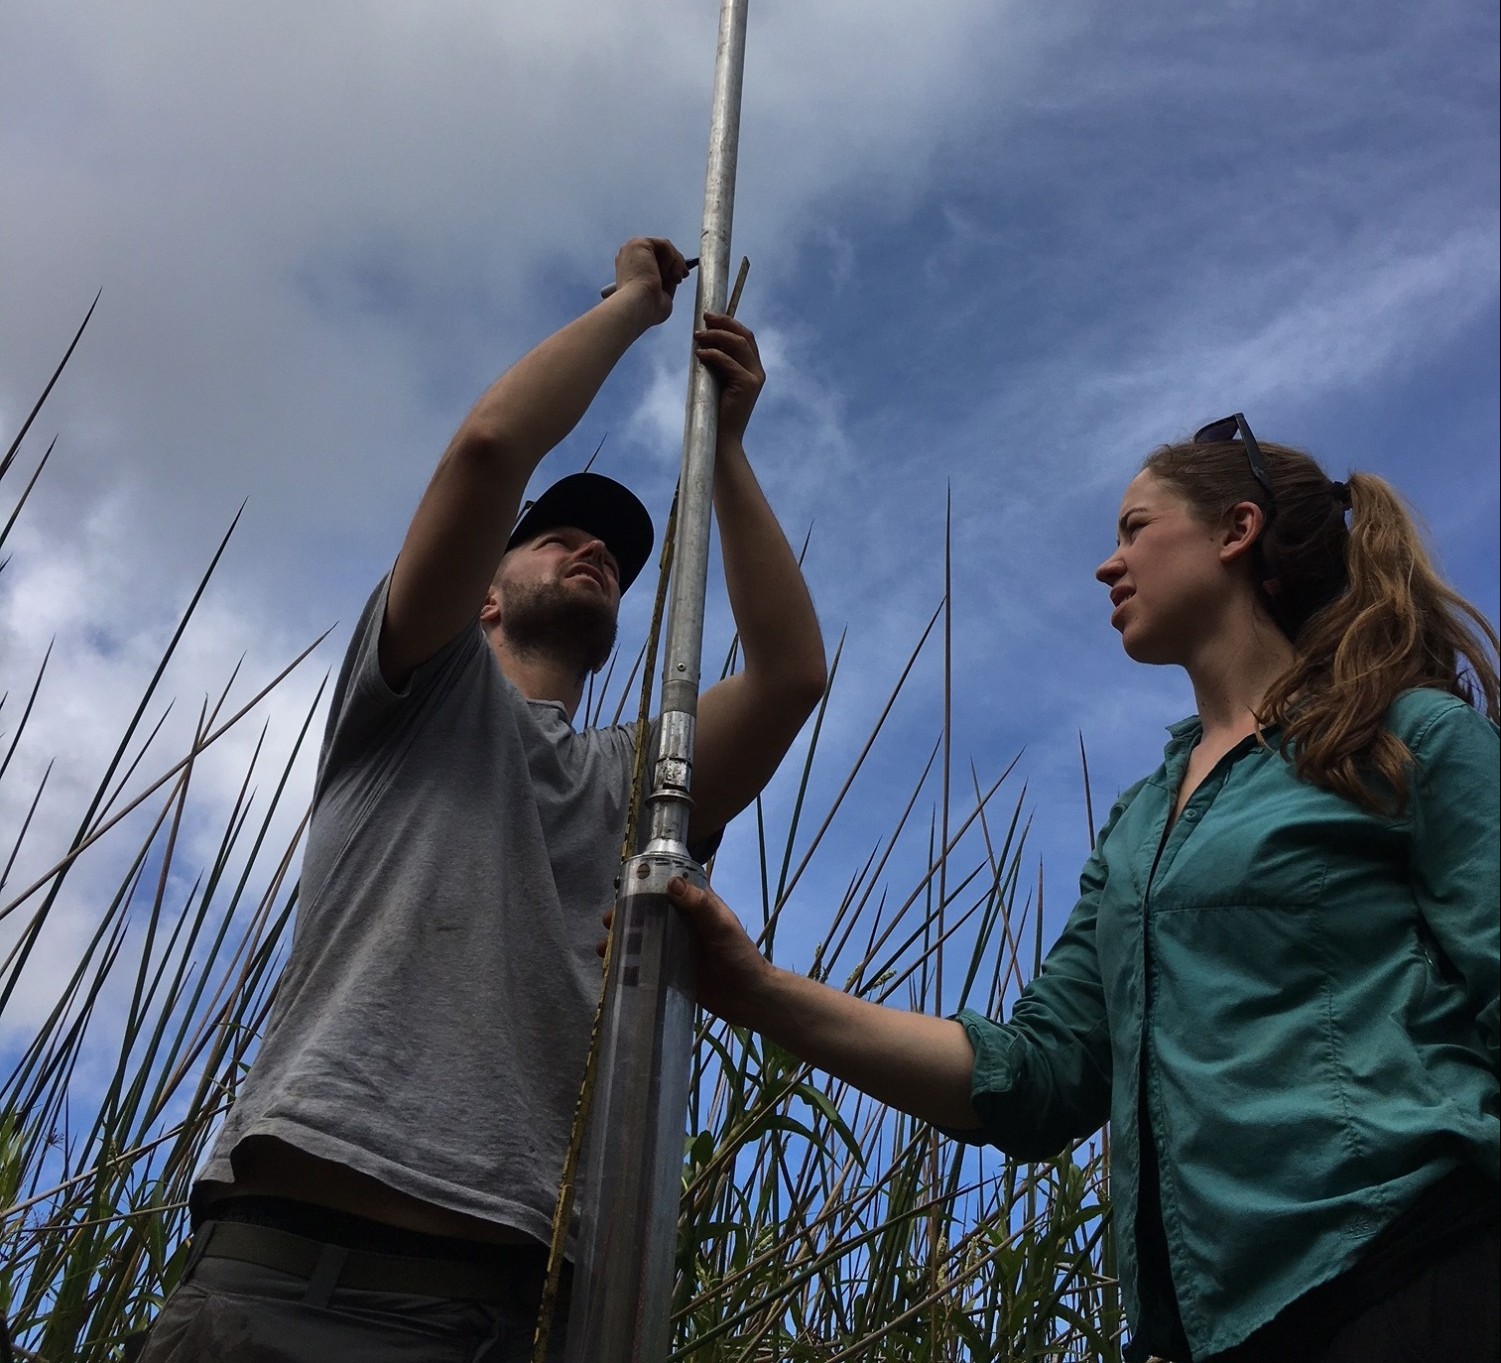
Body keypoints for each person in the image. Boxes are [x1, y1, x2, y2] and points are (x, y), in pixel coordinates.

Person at [666, 415, 1499, 1363]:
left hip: (1411, 1268)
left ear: (1235, 530)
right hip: (1209, 1330)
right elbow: (1038, 1076)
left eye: (1134, 528)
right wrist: (753, 991)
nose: (1108, 564)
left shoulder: (1406, 737)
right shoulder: (1142, 824)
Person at [134, 237, 827, 1362]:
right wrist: (633, 308)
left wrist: (729, 450)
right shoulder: (414, 684)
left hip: (497, 1310)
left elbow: (793, 673)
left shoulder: (632, 780)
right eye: (558, 537)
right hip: (272, 1284)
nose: (593, 550)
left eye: (612, 551)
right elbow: (490, 445)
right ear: (488, 595)